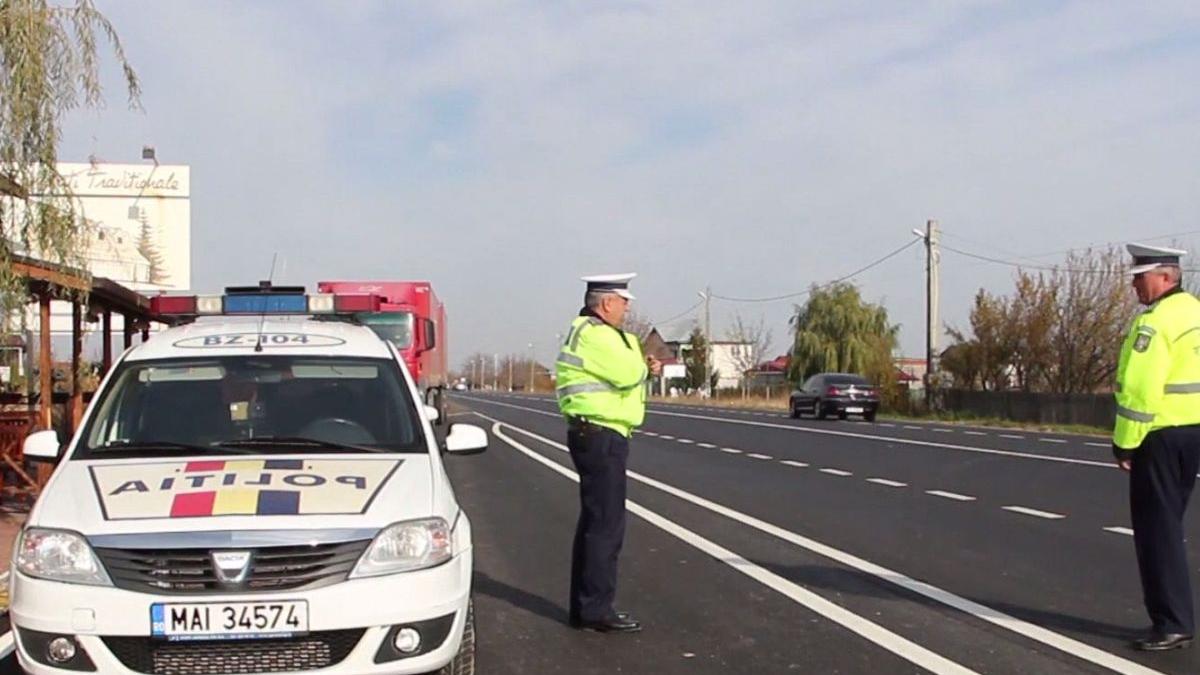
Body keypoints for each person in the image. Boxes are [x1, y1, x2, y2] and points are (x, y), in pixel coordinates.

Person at [555, 273, 661, 633]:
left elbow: (628, 369)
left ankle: (585, 607)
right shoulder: (597, 334)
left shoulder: (592, 332)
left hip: (597, 432)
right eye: (623, 300)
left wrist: (641, 365)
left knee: (595, 522)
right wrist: (644, 366)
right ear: (606, 303)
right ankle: (597, 609)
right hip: (601, 434)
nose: (628, 306)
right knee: (606, 526)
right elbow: (627, 372)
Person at [1112, 243, 1200, 651]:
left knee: (1156, 532)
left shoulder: (1156, 323)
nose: (1134, 285)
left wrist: (1125, 444)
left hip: (1159, 436)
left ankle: (1171, 622)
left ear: (1165, 277)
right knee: (1169, 525)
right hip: (1192, 432)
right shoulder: (1195, 314)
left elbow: (1140, 390)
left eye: (1140, 277)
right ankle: (1176, 618)